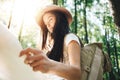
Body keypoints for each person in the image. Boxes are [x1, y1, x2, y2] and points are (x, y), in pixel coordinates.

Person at [19, 5, 81, 80]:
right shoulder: (52, 46)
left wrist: (50, 65)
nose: (48, 25)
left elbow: (77, 74)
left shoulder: (70, 38)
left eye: (50, 20)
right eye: (46, 24)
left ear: (60, 19)